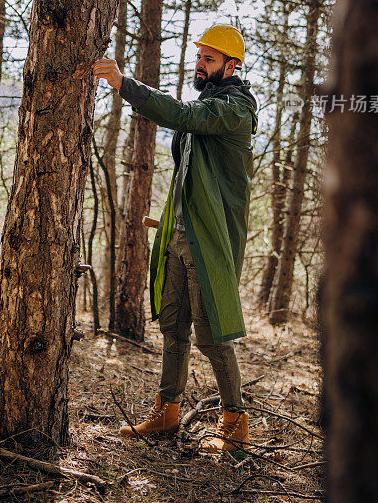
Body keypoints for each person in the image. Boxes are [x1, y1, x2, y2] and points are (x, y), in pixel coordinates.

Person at [92, 23, 258, 452]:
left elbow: (184, 116)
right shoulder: (207, 102)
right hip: (179, 236)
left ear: (230, 65)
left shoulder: (235, 107)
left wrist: (123, 84)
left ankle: (235, 422)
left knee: (212, 334)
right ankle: (167, 414)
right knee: (173, 327)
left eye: (209, 59)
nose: (199, 64)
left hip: (211, 242)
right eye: (199, 56)